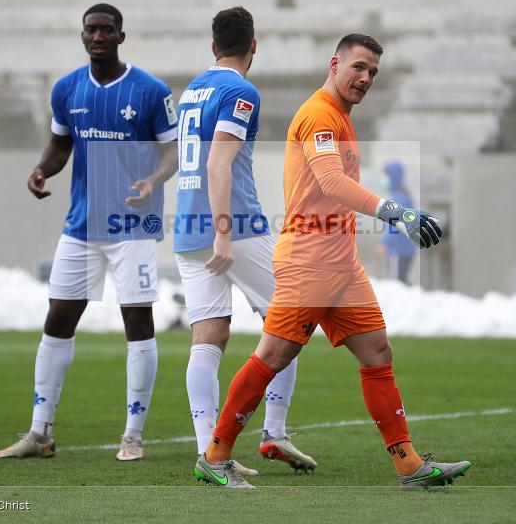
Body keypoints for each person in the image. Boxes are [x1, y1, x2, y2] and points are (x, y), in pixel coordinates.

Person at [193, 34, 470, 489]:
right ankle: (216, 454)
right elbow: (332, 181)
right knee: (274, 356)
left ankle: (408, 465)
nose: (366, 78)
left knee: (377, 352)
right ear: (334, 63)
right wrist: (395, 211)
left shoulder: (339, 116)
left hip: (341, 265)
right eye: (359, 67)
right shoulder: (320, 114)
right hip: (309, 261)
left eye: (374, 73)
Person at [0, 3, 179, 462]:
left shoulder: (151, 91)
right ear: (83, 36)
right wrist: (42, 170)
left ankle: (132, 434)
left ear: (120, 36)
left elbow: (171, 152)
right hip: (80, 224)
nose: (97, 36)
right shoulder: (67, 88)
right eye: (90, 30)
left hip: (133, 225)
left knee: (137, 321)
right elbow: (60, 143)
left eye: (106, 30)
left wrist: (152, 182)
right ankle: (39, 433)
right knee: (58, 318)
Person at [174, 6, 316, 476]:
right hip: (234, 228)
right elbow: (218, 164)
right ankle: (273, 431)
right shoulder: (241, 91)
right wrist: (224, 234)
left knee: (207, 337)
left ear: (213, 47)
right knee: (291, 320)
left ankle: (210, 454)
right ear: (254, 46)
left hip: (187, 229)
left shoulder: (193, 89)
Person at [377, 161, 417, 282]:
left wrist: (385, 242)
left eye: (385, 175)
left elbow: (394, 224)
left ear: (393, 176)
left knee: (396, 285)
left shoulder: (399, 198)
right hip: (404, 248)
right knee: (401, 282)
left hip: (399, 249)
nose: (383, 179)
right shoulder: (403, 195)